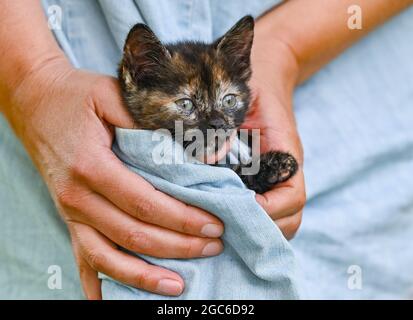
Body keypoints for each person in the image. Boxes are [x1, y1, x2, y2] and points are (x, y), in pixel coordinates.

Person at [0, 0, 412, 299]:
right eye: (188, 107)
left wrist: (284, 46)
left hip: (340, 144)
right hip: (56, 130)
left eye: (226, 105)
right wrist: (30, 79)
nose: (215, 123)